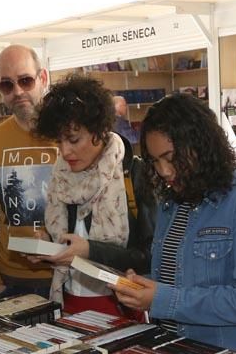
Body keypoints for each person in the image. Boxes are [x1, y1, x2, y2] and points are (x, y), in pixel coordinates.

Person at [112, 93, 236, 351]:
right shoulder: (172, 202)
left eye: (171, 157)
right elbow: (181, 276)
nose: (164, 171)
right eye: (156, 161)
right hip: (170, 351)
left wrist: (162, 299)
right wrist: (141, 286)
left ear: (202, 146)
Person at [31, 74, 155, 315]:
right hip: (68, 306)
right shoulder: (61, 179)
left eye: (74, 140)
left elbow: (150, 258)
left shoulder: (133, 173)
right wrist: (47, 247)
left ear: (100, 130)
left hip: (121, 308)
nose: (65, 151)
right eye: (59, 142)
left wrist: (90, 250)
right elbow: (69, 243)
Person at [0, 44, 58, 299]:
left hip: (67, 276)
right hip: (11, 281)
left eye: (25, 80)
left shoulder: (70, 135)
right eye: (7, 85)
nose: (18, 92)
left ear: (42, 78)